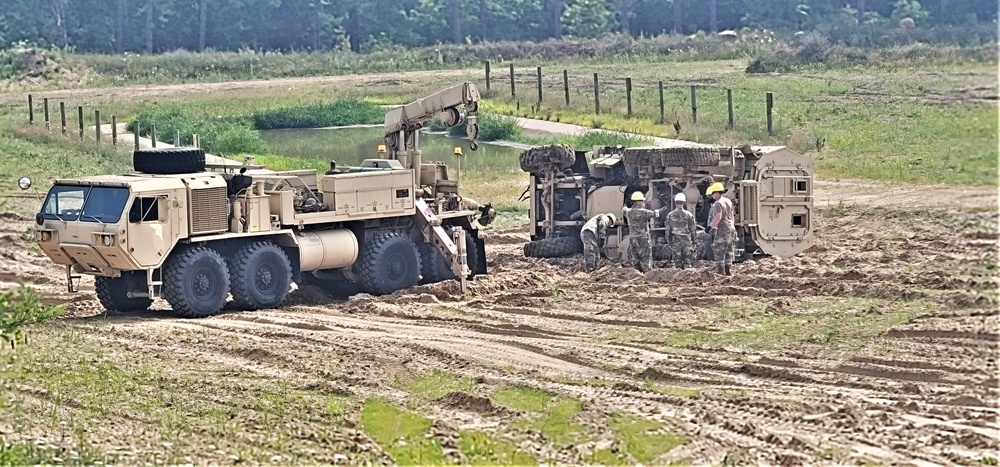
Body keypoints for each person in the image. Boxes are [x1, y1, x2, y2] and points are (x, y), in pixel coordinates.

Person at [622, 191, 659, 273]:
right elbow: (655, 214)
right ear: (638, 202)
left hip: (633, 238)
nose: (643, 202)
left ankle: (636, 275)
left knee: (635, 259)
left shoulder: (628, 212)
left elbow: (624, 209)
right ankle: (647, 274)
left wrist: (625, 204)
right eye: (642, 201)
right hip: (643, 238)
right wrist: (663, 208)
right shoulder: (644, 212)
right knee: (645, 259)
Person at [706, 182, 735, 275]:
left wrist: (710, 226)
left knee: (719, 249)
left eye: (713, 193)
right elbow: (732, 215)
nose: (712, 195)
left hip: (722, 228)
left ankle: (721, 271)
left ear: (717, 193)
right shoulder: (728, 201)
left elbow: (718, 217)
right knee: (729, 249)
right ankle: (728, 269)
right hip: (731, 227)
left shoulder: (718, 203)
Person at [666, 192, 696, 269]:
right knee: (687, 261)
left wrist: (669, 243)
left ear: (675, 202)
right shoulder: (689, 215)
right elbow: (693, 230)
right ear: (684, 202)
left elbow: (667, 231)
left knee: (677, 262)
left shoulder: (670, 215)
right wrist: (694, 242)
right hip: (686, 241)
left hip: (676, 241)